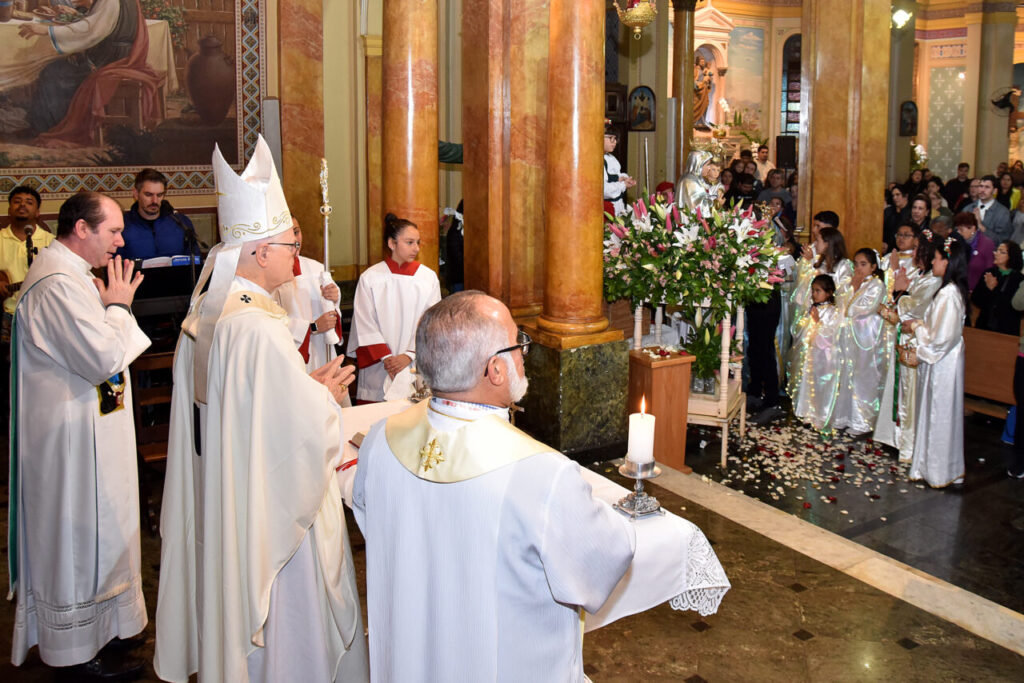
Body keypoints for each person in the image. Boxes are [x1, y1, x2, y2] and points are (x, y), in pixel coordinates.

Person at [155, 136, 369, 682]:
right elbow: (292, 437)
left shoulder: (210, 312)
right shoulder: (257, 328)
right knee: (290, 631)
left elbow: (244, 411)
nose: (295, 255)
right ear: (258, 252)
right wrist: (321, 395)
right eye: (286, 244)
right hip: (270, 518)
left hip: (229, 493)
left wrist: (303, 385)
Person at [352, 290, 636, 681]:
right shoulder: (543, 473)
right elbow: (596, 568)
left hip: (408, 657)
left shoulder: (381, 439)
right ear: (496, 371)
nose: (523, 355)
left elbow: (373, 520)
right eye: (519, 344)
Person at [9, 191, 151, 679]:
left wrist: (110, 303)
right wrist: (119, 307)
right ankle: (73, 655)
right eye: (112, 230)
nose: (121, 239)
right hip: (67, 444)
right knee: (75, 542)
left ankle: (102, 634)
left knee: (100, 536)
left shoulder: (73, 278)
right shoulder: (55, 286)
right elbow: (99, 358)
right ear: (82, 229)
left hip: (91, 432)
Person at [347, 213, 441, 402]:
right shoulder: (371, 278)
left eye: (418, 242)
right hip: (380, 366)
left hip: (414, 363)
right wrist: (387, 358)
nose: (416, 248)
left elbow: (431, 321)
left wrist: (408, 355)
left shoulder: (427, 278)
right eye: (409, 242)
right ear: (392, 243)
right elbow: (364, 321)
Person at [904, 237, 968, 488]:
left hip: (943, 363)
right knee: (934, 411)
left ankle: (938, 470)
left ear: (949, 261)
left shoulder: (949, 294)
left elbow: (941, 338)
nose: (932, 261)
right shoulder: (947, 290)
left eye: (937, 257)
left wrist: (917, 326)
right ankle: (928, 465)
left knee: (938, 413)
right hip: (942, 360)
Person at [875, 236, 941, 461]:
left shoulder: (934, 281)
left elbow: (915, 308)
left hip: (916, 343)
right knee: (899, 389)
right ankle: (895, 436)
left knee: (909, 393)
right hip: (904, 338)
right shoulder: (922, 276)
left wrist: (899, 293)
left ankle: (908, 442)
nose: (912, 255)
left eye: (917, 252)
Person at [0, 186, 56, 413]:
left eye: (29, 202)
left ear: (38, 211)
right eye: (17, 201)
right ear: (9, 208)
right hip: (8, 313)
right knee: (7, 370)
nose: (22, 205)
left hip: (42, 315)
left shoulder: (50, 241)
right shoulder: (0, 239)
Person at [272, 216, 344, 374]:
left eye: (296, 232)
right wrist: (312, 327)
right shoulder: (270, 274)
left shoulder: (317, 268)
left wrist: (334, 298)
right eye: (287, 234)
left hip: (321, 349)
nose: (295, 239)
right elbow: (271, 322)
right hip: (292, 355)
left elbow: (333, 314)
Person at [833, 248, 888, 435]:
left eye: (863, 264)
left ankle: (863, 421)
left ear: (873, 267)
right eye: (856, 264)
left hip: (867, 336)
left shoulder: (876, 285)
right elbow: (839, 302)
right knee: (847, 374)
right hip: (850, 335)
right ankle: (844, 416)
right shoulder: (852, 281)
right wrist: (852, 287)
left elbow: (863, 308)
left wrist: (854, 289)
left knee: (864, 377)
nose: (858, 268)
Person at [787, 274, 842, 432]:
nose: (814, 294)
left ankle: (821, 416)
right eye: (813, 291)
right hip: (811, 354)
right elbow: (801, 330)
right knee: (808, 382)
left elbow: (831, 334)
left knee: (821, 385)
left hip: (824, 357)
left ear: (829, 292)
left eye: (818, 291)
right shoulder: (813, 308)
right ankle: (807, 413)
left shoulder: (833, 312)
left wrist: (818, 322)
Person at [118, 168, 200, 260]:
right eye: (148, 195)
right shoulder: (122, 225)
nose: (155, 201)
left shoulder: (182, 223)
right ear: (136, 194)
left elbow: (195, 262)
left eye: (159, 195)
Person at [971, 240, 1024, 335]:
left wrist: (994, 289)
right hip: (983, 325)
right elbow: (975, 299)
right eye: (997, 250)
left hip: (1006, 330)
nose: (996, 254)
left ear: (1011, 256)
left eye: (1002, 252)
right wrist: (988, 289)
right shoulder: (989, 273)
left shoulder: (1019, 279)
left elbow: (1015, 308)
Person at [964, 175, 1013, 244]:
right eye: (981, 186)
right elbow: (958, 232)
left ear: (995, 191)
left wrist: (980, 226)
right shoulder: (968, 208)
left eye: (987, 187)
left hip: (990, 253)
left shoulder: (1003, 213)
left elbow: (1002, 240)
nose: (982, 190)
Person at [954, 211, 995, 291]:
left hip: (976, 290)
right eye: (957, 229)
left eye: (961, 230)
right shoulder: (956, 241)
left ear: (973, 228)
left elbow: (989, 271)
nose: (958, 232)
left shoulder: (987, 244)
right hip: (958, 288)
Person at [603, 127, 635, 216]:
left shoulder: (611, 158)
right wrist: (623, 185)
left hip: (618, 205)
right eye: (611, 138)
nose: (615, 142)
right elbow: (604, 190)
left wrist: (624, 178)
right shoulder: (597, 161)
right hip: (607, 208)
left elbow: (617, 174)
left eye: (615, 139)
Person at [882, 184, 910, 252]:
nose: (895, 198)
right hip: (885, 247)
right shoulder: (889, 211)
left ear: (905, 196)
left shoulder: (911, 212)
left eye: (897, 195)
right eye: (893, 195)